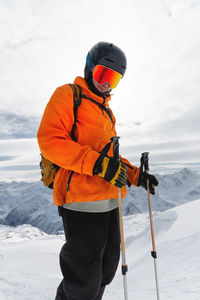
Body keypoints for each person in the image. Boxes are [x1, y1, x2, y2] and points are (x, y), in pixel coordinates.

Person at [37, 41, 158, 300]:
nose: (107, 84)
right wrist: (97, 165)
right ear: (89, 68)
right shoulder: (69, 95)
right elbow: (51, 141)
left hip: (110, 203)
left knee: (105, 271)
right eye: (103, 74)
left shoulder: (105, 111)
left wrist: (137, 176)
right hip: (80, 204)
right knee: (82, 280)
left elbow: (110, 158)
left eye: (114, 79)